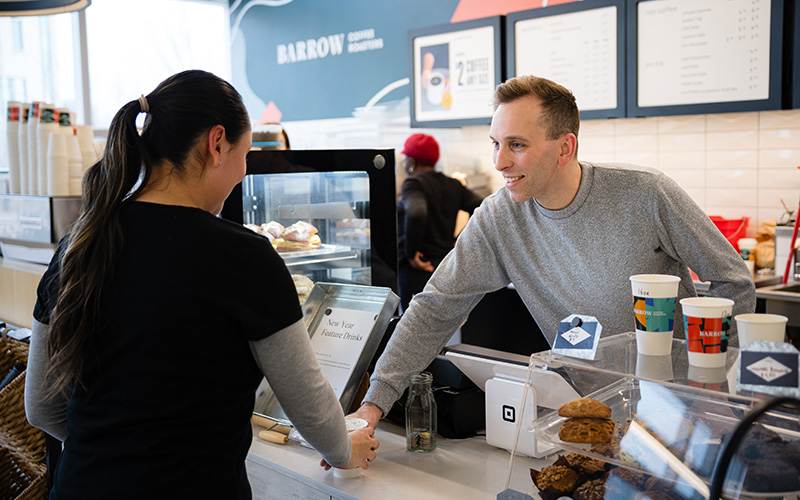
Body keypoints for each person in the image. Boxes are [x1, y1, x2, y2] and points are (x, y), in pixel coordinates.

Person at [24, 70, 378, 499]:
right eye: (244, 155)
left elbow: (41, 406)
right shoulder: (243, 257)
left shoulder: (80, 246)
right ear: (216, 144)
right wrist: (346, 449)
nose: (243, 173)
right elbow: (311, 407)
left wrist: (114, 449)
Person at [352, 75, 756, 429]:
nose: (499, 161)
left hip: (677, 413)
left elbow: (733, 282)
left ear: (565, 148)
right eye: (495, 143)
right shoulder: (499, 217)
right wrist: (374, 404)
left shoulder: (645, 193)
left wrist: (706, 389)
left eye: (516, 144)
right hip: (585, 414)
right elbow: (434, 308)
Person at [397, 133, 483, 312]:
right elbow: (481, 208)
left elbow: (417, 213)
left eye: (405, 159)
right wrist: (459, 240)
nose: (403, 163)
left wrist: (411, 254)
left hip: (417, 269)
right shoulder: (452, 184)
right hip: (443, 267)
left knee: (412, 326)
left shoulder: (413, 184)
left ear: (412, 162)